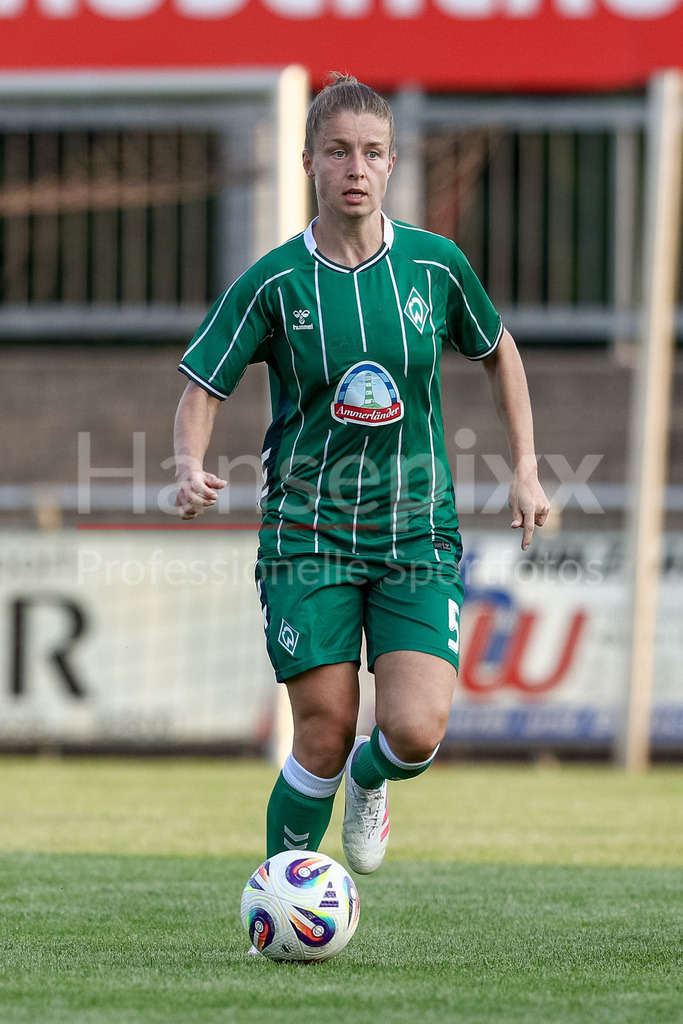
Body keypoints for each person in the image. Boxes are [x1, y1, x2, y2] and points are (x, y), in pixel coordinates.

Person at [173, 73, 549, 877]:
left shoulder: (434, 266)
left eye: (372, 152)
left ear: (391, 162)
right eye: (338, 150)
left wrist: (524, 467)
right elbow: (204, 384)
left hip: (415, 530)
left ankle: (370, 783)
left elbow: (498, 352)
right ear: (308, 160)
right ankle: (279, 895)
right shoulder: (275, 281)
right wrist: (187, 465)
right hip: (307, 534)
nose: (355, 167)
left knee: (413, 730)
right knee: (322, 729)